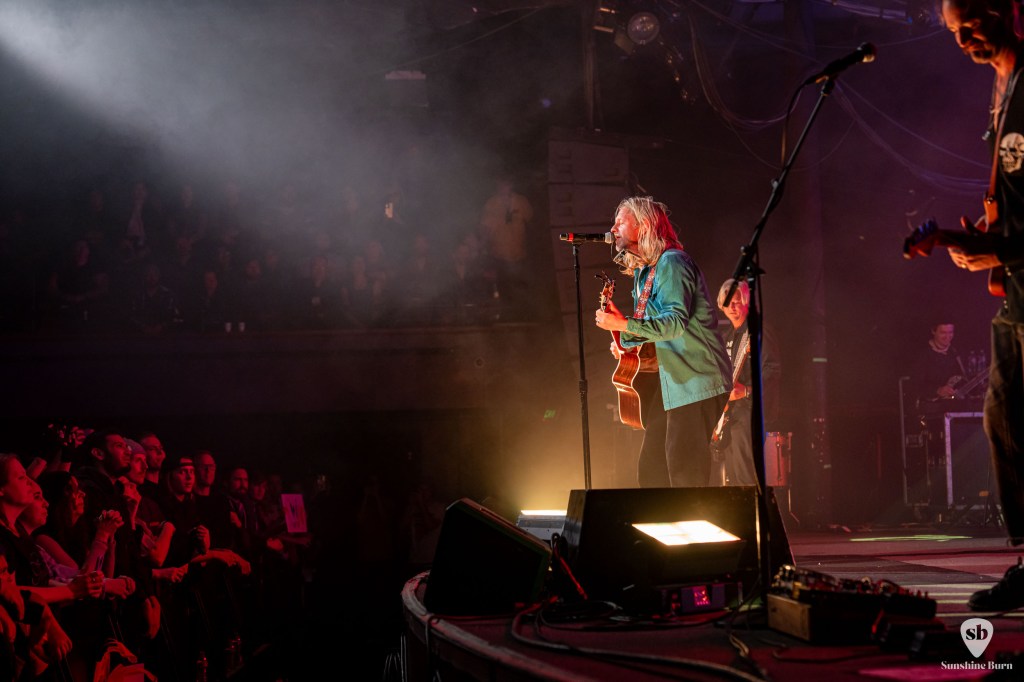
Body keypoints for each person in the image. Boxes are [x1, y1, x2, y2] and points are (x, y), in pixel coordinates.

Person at [939, 0, 1024, 611]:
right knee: (1004, 424)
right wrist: (980, 238)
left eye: (971, 21)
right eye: (953, 31)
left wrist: (994, 249)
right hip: (1018, 296)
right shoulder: (1001, 89)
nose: (964, 37)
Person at [594, 196, 732, 487]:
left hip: (696, 379)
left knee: (684, 469)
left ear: (643, 226)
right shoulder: (645, 271)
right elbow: (652, 332)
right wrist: (624, 339)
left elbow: (673, 324)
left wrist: (621, 325)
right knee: (652, 467)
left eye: (621, 221)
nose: (613, 227)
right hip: (671, 382)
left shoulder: (673, 262)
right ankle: (658, 529)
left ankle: (695, 530)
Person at [711, 279, 782, 486]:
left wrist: (747, 391)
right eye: (727, 303)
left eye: (736, 302)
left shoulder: (759, 331)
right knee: (732, 477)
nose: (732, 308)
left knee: (746, 477)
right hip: (730, 415)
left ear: (746, 302)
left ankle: (756, 517)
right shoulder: (727, 337)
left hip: (750, 413)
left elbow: (773, 370)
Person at [908, 323, 967, 405]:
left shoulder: (955, 352)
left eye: (950, 332)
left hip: (954, 405)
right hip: (931, 407)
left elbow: (963, 378)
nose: (947, 336)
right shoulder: (923, 355)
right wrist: (937, 390)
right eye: (943, 333)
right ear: (933, 331)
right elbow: (914, 385)